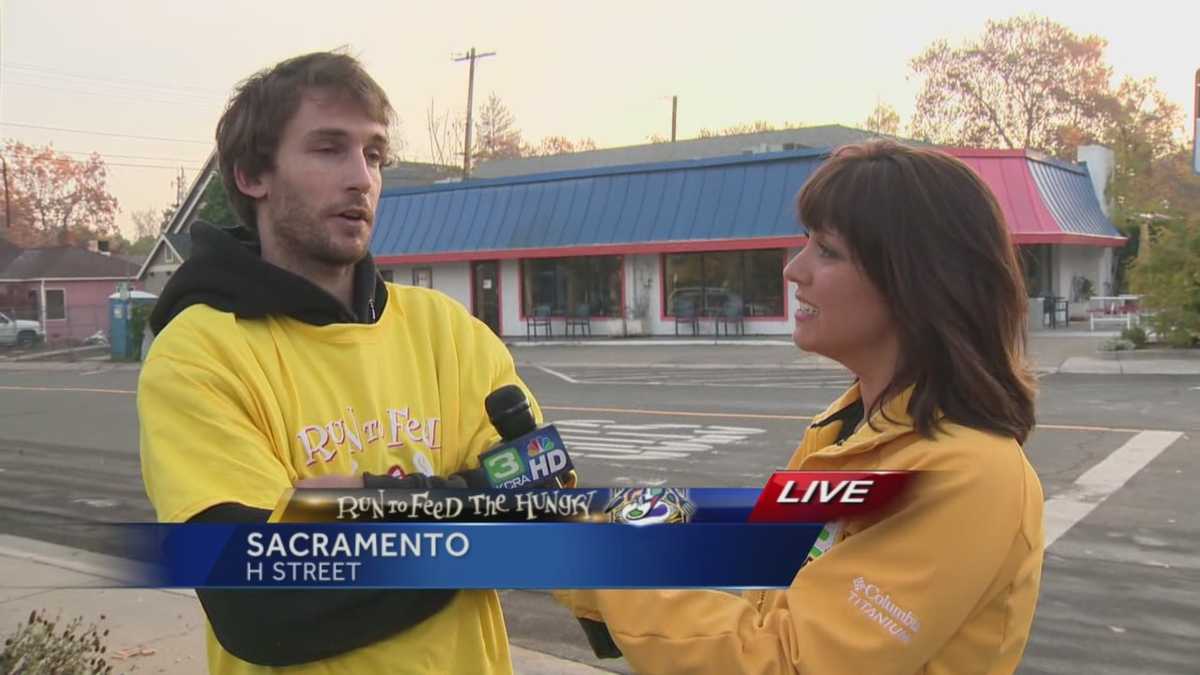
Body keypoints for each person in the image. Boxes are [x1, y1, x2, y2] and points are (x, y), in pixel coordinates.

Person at [556, 140, 1045, 674]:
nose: (794, 270)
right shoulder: (844, 432)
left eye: (828, 251)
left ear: (915, 279)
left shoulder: (967, 474)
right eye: (805, 242)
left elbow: (785, 662)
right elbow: (752, 576)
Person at [138, 51, 538, 674]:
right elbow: (260, 605)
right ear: (251, 174)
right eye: (329, 149)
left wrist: (349, 505)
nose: (362, 178)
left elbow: (543, 501)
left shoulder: (447, 331)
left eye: (374, 154)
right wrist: (473, 504)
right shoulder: (199, 355)